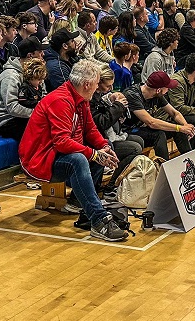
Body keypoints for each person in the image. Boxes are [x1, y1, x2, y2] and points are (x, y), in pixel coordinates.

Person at [18, 61, 129, 243]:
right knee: (80, 159)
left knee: (100, 148)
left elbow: (90, 130)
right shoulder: (61, 100)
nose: (99, 88)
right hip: (38, 160)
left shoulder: (80, 98)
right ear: (87, 84)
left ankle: (87, 212)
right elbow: (62, 142)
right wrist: (94, 154)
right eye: (97, 83)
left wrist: (103, 147)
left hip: (57, 154)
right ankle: (99, 220)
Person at [89, 65, 145, 185]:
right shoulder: (90, 98)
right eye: (108, 86)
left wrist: (111, 98)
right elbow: (101, 122)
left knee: (139, 140)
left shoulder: (99, 95)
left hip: (110, 134)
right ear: (98, 83)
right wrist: (118, 106)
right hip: (100, 138)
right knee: (135, 148)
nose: (111, 88)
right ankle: (112, 184)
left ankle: (121, 183)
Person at [123, 71, 195, 160]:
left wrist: (185, 126)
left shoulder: (157, 95)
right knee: (159, 134)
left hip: (144, 128)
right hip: (129, 131)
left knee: (179, 128)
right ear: (158, 90)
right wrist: (179, 128)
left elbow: (174, 113)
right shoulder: (132, 95)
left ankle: (190, 159)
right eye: (167, 88)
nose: (168, 90)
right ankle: (164, 165)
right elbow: (151, 122)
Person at [0, 56, 47, 140]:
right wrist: (36, 113)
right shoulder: (10, 76)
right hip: (6, 120)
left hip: (26, 117)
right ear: (30, 55)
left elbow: (43, 97)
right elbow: (12, 108)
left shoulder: (36, 77)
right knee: (38, 131)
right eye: (39, 52)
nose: (42, 54)